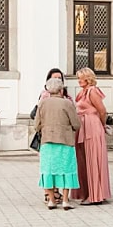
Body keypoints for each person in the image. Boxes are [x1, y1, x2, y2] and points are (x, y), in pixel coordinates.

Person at [35, 77, 82, 209]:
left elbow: (36, 124)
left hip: (47, 141)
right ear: (61, 90)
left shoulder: (43, 103)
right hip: (65, 141)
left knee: (48, 170)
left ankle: (51, 200)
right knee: (66, 169)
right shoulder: (67, 103)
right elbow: (76, 124)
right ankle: (66, 200)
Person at [72, 67, 111, 205]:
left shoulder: (92, 91)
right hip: (82, 126)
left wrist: (101, 125)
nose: (78, 80)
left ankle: (95, 194)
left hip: (92, 126)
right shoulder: (82, 92)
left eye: (80, 78)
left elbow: (102, 110)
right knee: (83, 159)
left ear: (87, 78)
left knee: (93, 158)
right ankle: (86, 191)